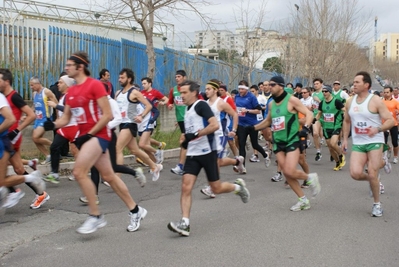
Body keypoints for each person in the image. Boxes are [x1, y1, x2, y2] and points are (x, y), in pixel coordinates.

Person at [46, 52, 147, 234]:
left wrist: (89, 134)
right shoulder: (72, 92)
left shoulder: (95, 85)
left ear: (80, 67)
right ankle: (136, 210)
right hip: (86, 137)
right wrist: (51, 124)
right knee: (109, 176)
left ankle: (95, 216)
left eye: (70, 65)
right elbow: (66, 118)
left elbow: (108, 115)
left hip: (99, 135)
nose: (66, 68)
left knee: (78, 172)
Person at [167, 80, 250, 236]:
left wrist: (195, 134)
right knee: (186, 187)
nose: (182, 96)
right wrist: (185, 139)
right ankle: (184, 223)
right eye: (181, 92)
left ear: (193, 92)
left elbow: (214, 126)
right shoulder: (188, 109)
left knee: (216, 188)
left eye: (184, 92)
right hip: (193, 153)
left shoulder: (201, 105)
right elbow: (191, 131)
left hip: (207, 151)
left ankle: (238, 188)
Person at [251, 76, 321, 211]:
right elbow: (268, 121)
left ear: (280, 86)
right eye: (268, 85)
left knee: (289, 170)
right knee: (287, 174)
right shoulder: (271, 104)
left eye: (272, 85)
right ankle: (303, 200)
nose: (268, 87)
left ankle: (310, 178)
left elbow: (309, 114)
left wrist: (306, 128)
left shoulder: (292, 100)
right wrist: (253, 128)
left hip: (292, 140)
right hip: (278, 142)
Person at [342, 71, 395, 217]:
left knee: (372, 171)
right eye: (354, 82)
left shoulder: (376, 100)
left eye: (357, 82)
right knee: (355, 173)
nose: (354, 84)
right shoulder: (349, 101)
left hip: (375, 141)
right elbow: (346, 121)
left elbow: (391, 121)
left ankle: (377, 204)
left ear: (366, 85)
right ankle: (373, 181)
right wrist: (345, 139)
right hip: (359, 142)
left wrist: (377, 129)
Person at [0, 68, 48, 209]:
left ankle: (15, 191)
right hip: (6, 136)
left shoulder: (14, 96)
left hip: (11, 136)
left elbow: (31, 115)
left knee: (11, 170)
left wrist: (17, 130)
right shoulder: (4, 96)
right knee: (18, 169)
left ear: (7, 81)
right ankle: (33, 191)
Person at [200, 80, 243, 198]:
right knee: (217, 161)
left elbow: (234, 114)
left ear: (215, 90)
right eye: (206, 89)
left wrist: (233, 130)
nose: (206, 91)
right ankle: (237, 161)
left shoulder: (221, 103)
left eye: (208, 89)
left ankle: (212, 188)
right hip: (208, 136)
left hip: (220, 135)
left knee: (215, 162)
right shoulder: (205, 103)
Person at [45, 75, 79, 183]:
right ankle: (54, 173)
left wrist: (55, 106)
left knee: (76, 152)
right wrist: (54, 124)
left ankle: (81, 172)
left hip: (74, 127)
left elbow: (70, 110)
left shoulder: (70, 96)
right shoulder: (62, 96)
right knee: (54, 147)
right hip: (65, 128)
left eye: (60, 82)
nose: (58, 84)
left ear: (67, 84)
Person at [235, 80, 270, 170]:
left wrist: (247, 110)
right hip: (241, 124)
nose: (240, 91)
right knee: (241, 145)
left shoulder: (251, 97)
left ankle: (266, 155)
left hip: (252, 125)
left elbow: (258, 111)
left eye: (242, 89)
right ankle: (242, 166)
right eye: (239, 89)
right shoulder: (237, 97)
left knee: (255, 144)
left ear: (246, 89)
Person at [315, 85, 346, 171]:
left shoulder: (336, 101)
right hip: (326, 127)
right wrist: (315, 119)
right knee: (330, 148)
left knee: (333, 143)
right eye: (323, 91)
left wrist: (345, 116)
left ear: (330, 92)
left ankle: (340, 155)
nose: (324, 93)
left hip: (336, 125)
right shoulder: (322, 103)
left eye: (326, 91)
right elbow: (319, 113)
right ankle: (337, 162)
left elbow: (344, 110)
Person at [140, 77, 168, 163]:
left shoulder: (155, 92)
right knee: (145, 141)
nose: (143, 85)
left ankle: (154, 158)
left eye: (144, 83)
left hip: (151, 118)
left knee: (144, 143)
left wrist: (163, 103)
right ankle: (155, 162)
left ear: (150, 83)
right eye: (142, 84)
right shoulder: (141, 93)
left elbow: (166, 99)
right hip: (143, 120)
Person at [30, 76, 58, 164]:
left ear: (38, 84)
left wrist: (58, 117)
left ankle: (55, 146)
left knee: (35, 137)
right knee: (35, 139)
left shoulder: (46, 92)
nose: (31, 87)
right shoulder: (34, 94)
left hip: (46, 119)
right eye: (30, 85)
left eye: (32, 85)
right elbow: (34, 106)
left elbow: (56, 103)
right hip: (38, 119)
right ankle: (48, 155)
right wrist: (28, 114)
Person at [167, 70, 188, 175]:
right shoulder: (173, 90)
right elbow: (170, 101)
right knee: (188, 142)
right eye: (176, 77)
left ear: (184, 77)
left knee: (183, 141)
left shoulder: (191, 88)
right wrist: (169, 105)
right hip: (180, 119)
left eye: (179, 76)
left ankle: (181, 166)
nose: (177, 78)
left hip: (190, 119)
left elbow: (200, 101)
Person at [381, 86, 399, 164]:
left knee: (395, 142)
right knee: (384, 141)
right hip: (384, 124)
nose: (386, 94)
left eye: (387, 92)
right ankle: (386, 151)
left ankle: (395, 157)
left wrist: (397, 111)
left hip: (393, 124)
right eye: (384, 92)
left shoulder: (395, 102)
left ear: (391, 93)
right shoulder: (381, 102)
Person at [311, 78, 325, 161]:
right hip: (316, 116)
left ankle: (334, 152)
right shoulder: (313, 94)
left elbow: (328, 104)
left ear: (321, 84)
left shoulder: (325, 92)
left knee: (329, 139)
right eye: (314, 84)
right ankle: (318, 151)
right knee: (315, 133)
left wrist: (319, 100)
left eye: (317, 83)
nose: (315, 85)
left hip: (326, 116)